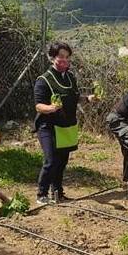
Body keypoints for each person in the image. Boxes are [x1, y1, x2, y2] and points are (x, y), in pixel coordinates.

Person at [33, 41, 99, 207]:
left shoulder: (70, 77)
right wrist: (51, 108)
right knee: (50, 160)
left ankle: (58, 193)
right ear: (52, 57)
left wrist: (88, 98)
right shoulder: (44, 80)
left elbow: (74, 97)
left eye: (67, 57)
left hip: (66, 126)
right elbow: (38, 105)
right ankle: (41, 194)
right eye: (60, 57)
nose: (64, 60)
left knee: (62, 161)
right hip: (47, 126)